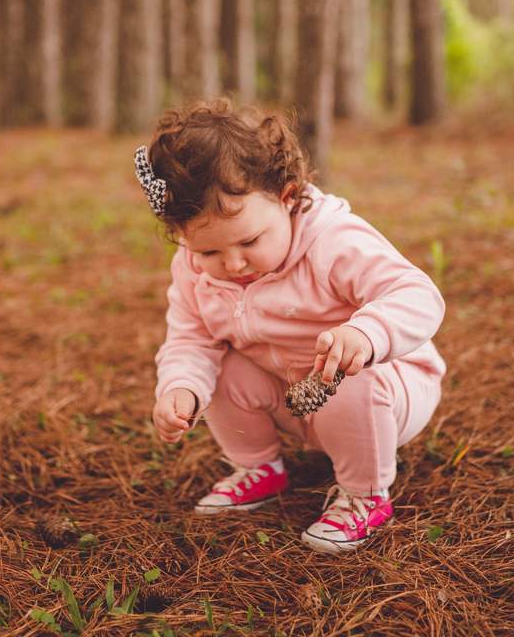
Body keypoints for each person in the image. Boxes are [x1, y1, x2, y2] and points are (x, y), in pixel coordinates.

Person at [137, 99, 446, 553]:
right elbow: (190, 337)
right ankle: (259, 467)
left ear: (285, 196)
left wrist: (366, 333)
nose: (234, 263)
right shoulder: (193, 268)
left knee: (352, 375)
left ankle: (365, 495)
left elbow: (417, 295)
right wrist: (180, 386)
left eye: (249, 240)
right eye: (208, 252)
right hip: (295, 397)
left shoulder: (332, 241)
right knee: (214, 369)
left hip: (386, 392)